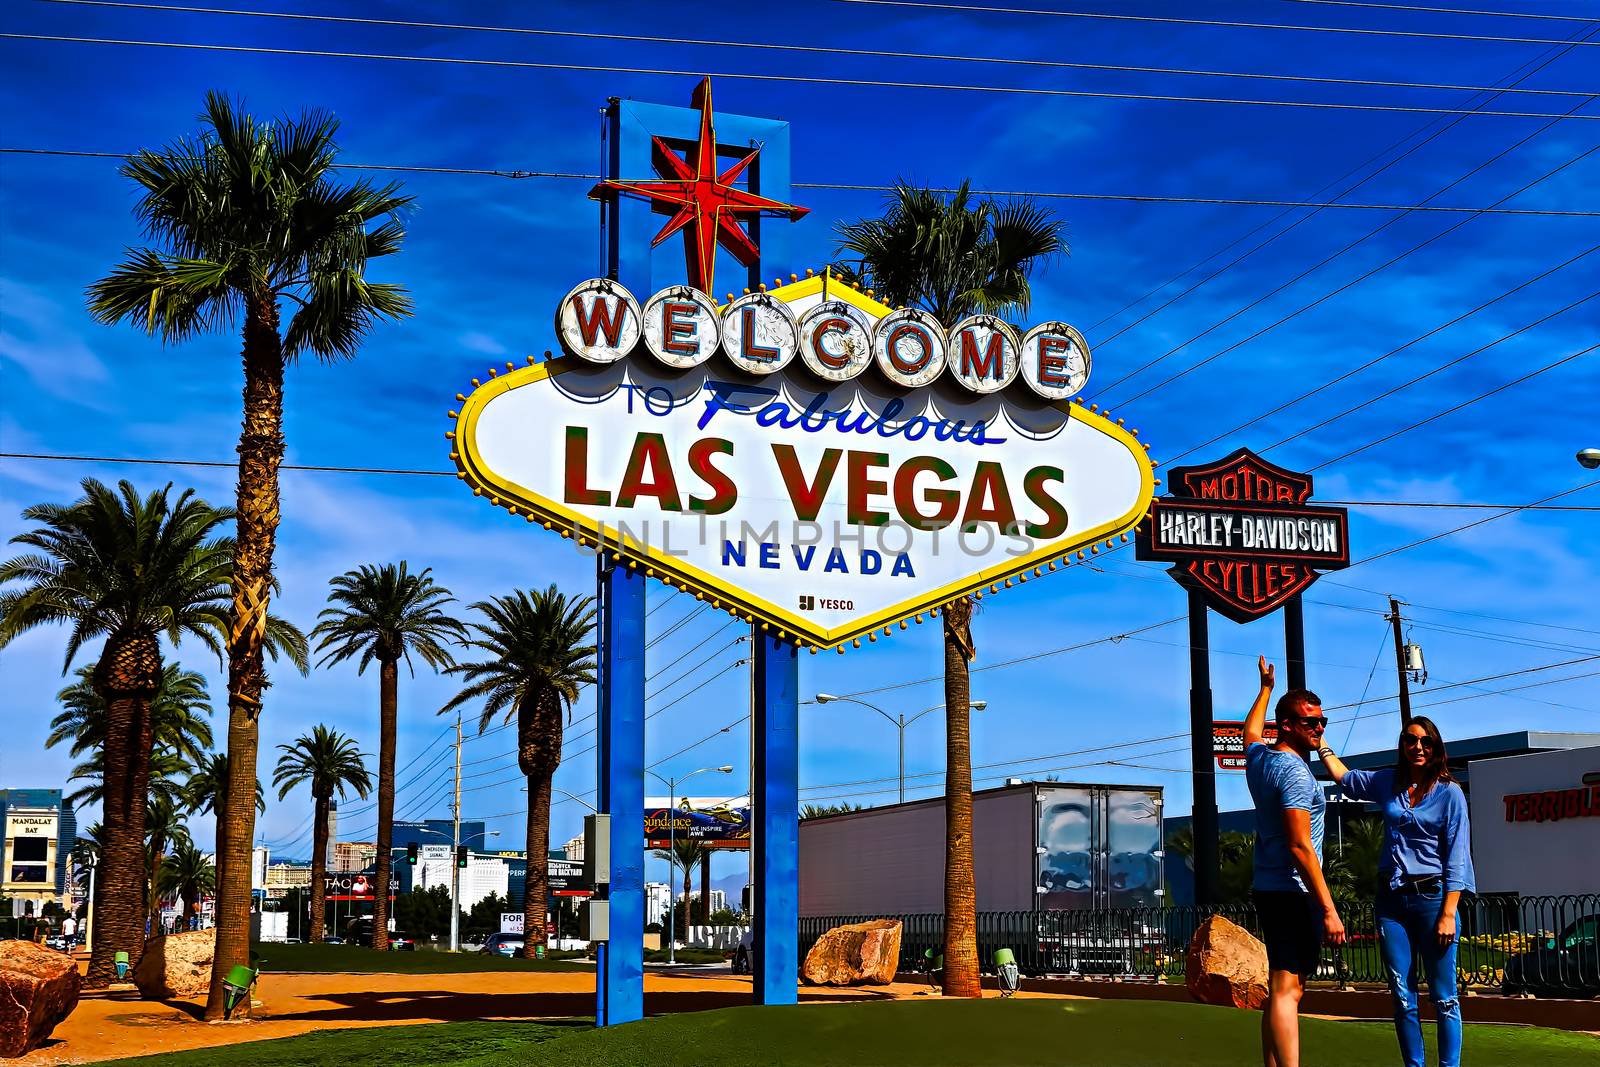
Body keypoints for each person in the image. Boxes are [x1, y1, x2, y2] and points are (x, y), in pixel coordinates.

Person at [1320, 716, 1473, 1067]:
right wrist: (1320, 743)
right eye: (1410, 740)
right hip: (1391, 901)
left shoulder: (1449, 792)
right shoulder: (1388, 782)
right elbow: (1345, 778)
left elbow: (1457, 856)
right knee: (1402, 995)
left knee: (1444, 997)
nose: (1418, 747)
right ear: (1402, 745)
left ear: (1435, 747)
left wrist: (1449, 913)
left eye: (1425, 742)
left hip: (1433, 900)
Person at [1244, 656, 1345, 1067]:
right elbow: (1301, 846)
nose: (1318, 729)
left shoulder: (1261, 760)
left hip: (1268, 888)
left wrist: (1266, 689)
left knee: (1280, 985)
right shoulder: (1295, 774)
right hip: (1293, 890)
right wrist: (1328, 909)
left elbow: (1249, 732)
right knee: (1290, 988)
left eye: (1322, 722)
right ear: (1286, 725)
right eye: (1310, 723)